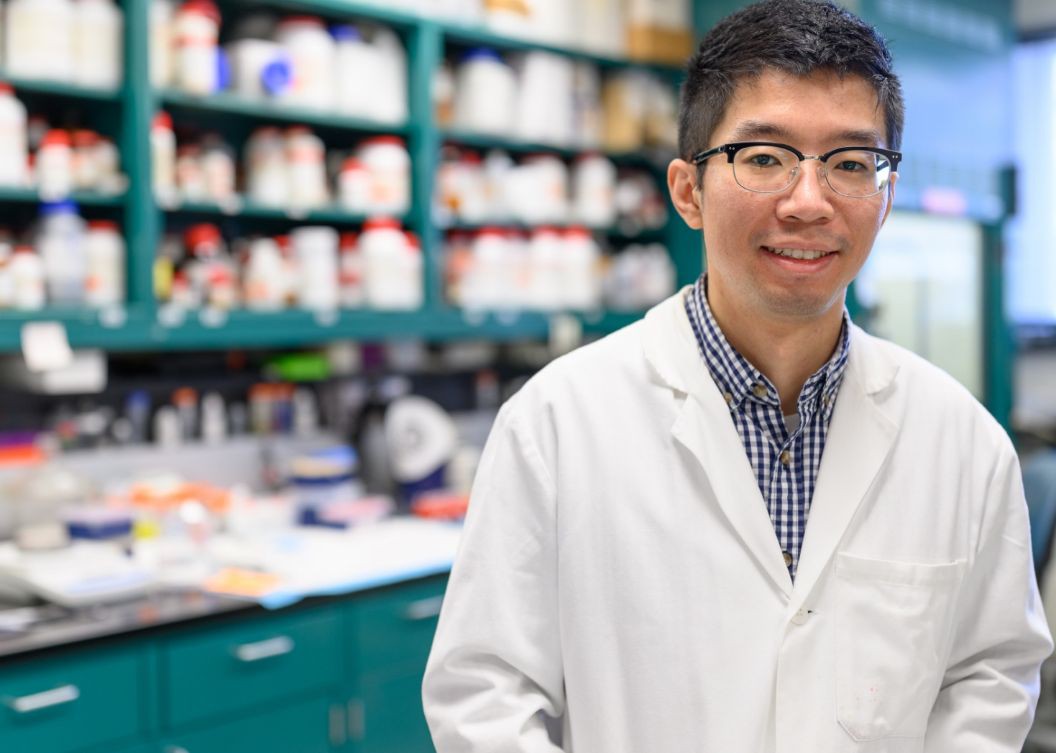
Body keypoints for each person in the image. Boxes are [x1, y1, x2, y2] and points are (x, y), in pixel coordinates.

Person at [422, 1, 1054, 751]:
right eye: (764, 159)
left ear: (883, 200)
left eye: (851, 164)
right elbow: (485, 698)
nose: (808, 201)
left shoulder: (963, 442)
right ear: (688, 190)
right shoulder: (556, 423)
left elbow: (989, 672)